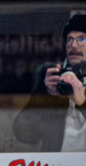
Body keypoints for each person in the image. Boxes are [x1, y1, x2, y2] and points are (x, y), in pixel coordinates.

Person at [13, 14, 86, 152]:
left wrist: (82, 101)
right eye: (69, 39)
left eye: (81, 39)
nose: (73, 45)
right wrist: (46, 96)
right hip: (56, 163)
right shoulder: (53, 76)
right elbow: (23, 132)